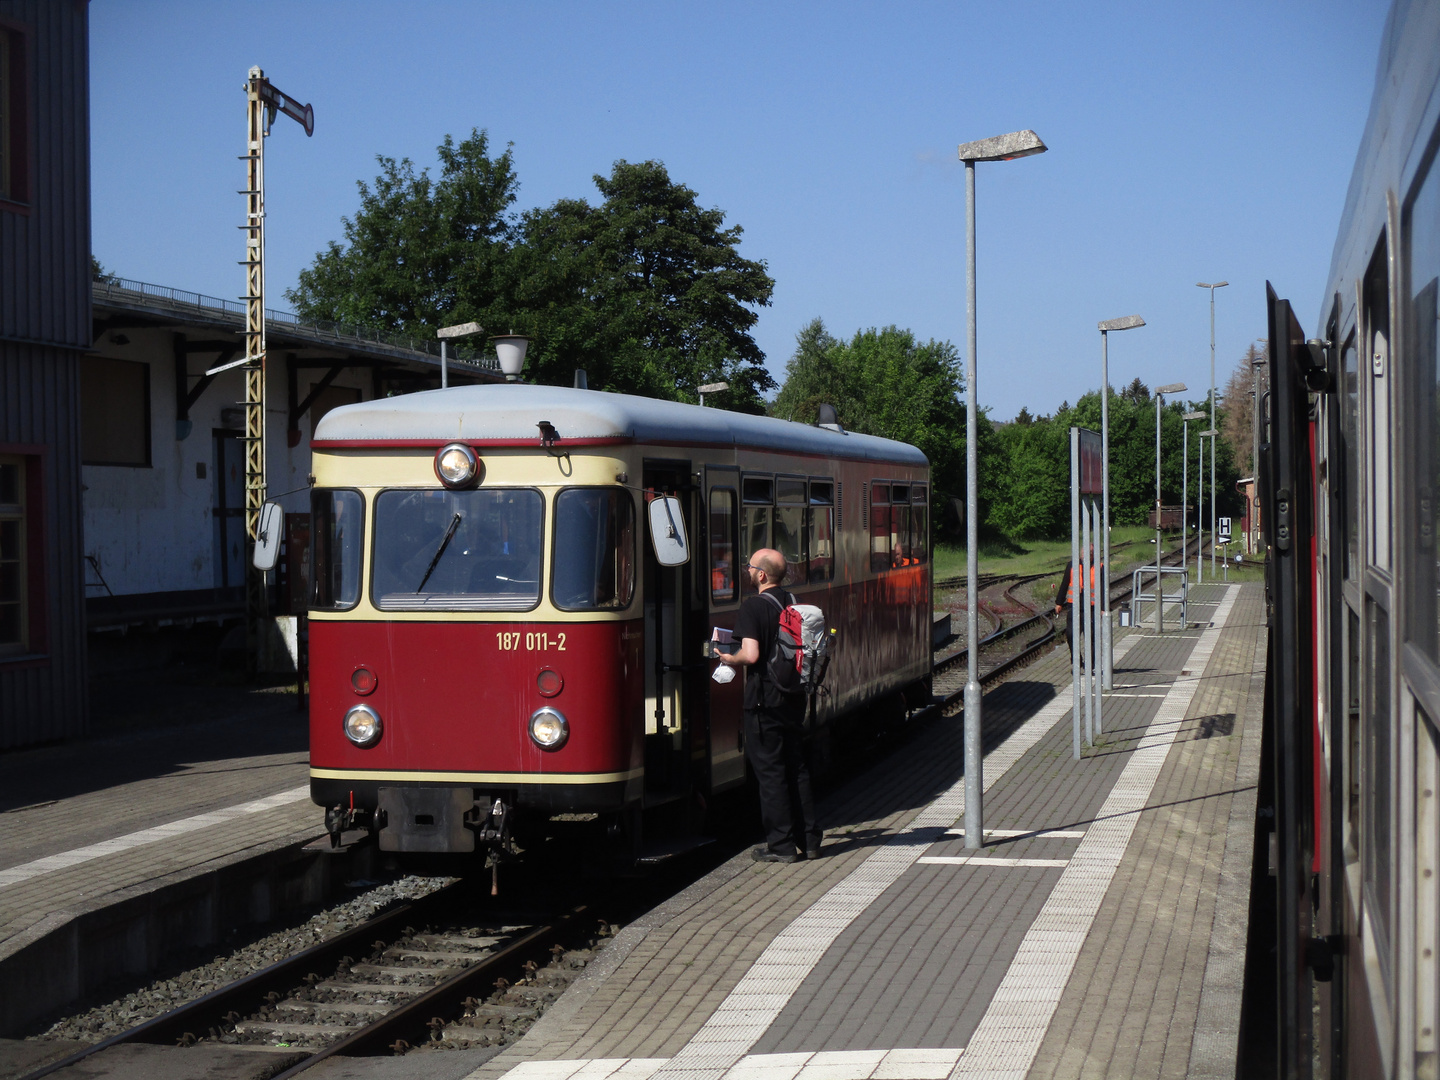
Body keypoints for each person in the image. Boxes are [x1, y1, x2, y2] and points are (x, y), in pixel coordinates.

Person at [714, 548, 822, 863]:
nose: (747, 570)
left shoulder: (753, 607)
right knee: (797, 768)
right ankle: (811, 841)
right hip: (794, 695)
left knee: (771, 774)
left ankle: (782, 846)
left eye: (750, 566)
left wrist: (727, 657)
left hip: (764, 699)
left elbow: (750, 655)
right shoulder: (792, 602)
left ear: (761, 574)